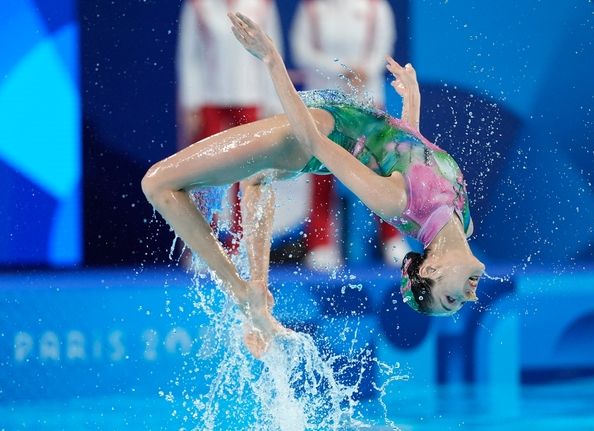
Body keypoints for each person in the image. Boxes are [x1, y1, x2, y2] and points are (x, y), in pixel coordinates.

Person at [142, 13, 485, 358]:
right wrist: (412, 103)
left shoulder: (394, 201)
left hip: (305, 134)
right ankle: (258, 288)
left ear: (432, 268)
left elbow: (313, 142)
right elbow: (407, 154)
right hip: (328, 116)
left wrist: (271, 59)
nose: (469, 296)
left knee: (158, 183)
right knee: (258, 178)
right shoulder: (463, 220)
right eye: (455, 301)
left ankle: (241, 291)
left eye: (451, 298)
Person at [290, 0, 405, 269]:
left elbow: (382, 50)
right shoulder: (312, 9)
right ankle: (320, 244)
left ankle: (392, 239)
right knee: (320, 174)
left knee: (380, 171)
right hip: (326, 102)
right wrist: (342, 69)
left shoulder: (377, 8)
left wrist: (365, 70)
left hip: (366, 100)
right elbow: (302, 51)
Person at [177, 0, 283, 253]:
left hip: (251, 98)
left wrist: (272, 103)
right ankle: (204, 246)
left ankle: (243, 244)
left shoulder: (262, 5)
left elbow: (272, 54)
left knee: (249, 174)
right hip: (210, 99)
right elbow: (189, 57)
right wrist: (191, 102)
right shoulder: (198, 6)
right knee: (206, 174)